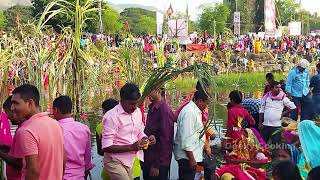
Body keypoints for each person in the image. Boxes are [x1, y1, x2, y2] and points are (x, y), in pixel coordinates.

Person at [102, 83, 156, 180]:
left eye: (136, 103)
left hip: (130, 160)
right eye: (131, 104)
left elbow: (139, 132)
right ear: (122, 101)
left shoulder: (137, 112)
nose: (135, 107)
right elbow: (106, 147)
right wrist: (132, 147)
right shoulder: (111, 117)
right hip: (114, 161)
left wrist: (146, 139)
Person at [10, 84, 64, 180]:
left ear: (30, 103)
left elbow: (33, 171)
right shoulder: (55, 124)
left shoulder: (26, 130)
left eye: (16, 103)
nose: (12, 108)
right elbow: (64, 159)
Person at [52, 96, 94, 180]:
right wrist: (86, 170)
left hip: (59, 176)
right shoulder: (84, 128)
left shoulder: (53, 130)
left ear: (56, 110)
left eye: (52, 110)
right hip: (79, 176)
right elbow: (87, 156)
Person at [174, 90, 210, 180]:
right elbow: (186, 139)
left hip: (190, 156)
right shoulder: (189, 113)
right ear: (200, 101)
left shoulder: (194, 111)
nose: (207, 106)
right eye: (206, 103)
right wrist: (192, 159)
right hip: (186, 157)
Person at [142, 88, 174, 180]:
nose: (148, 93)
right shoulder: (152, 108)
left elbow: (166, 140)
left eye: (150, 90)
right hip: (149, 158)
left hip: (157, 163)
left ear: (158, 91)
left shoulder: (164, 110)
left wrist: (156, 165)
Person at [0, 96, 22, 180]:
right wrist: (9, 148)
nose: (7, 117)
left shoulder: (24, 131)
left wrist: (1, 154)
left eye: (7, 112)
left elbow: (19, 163)